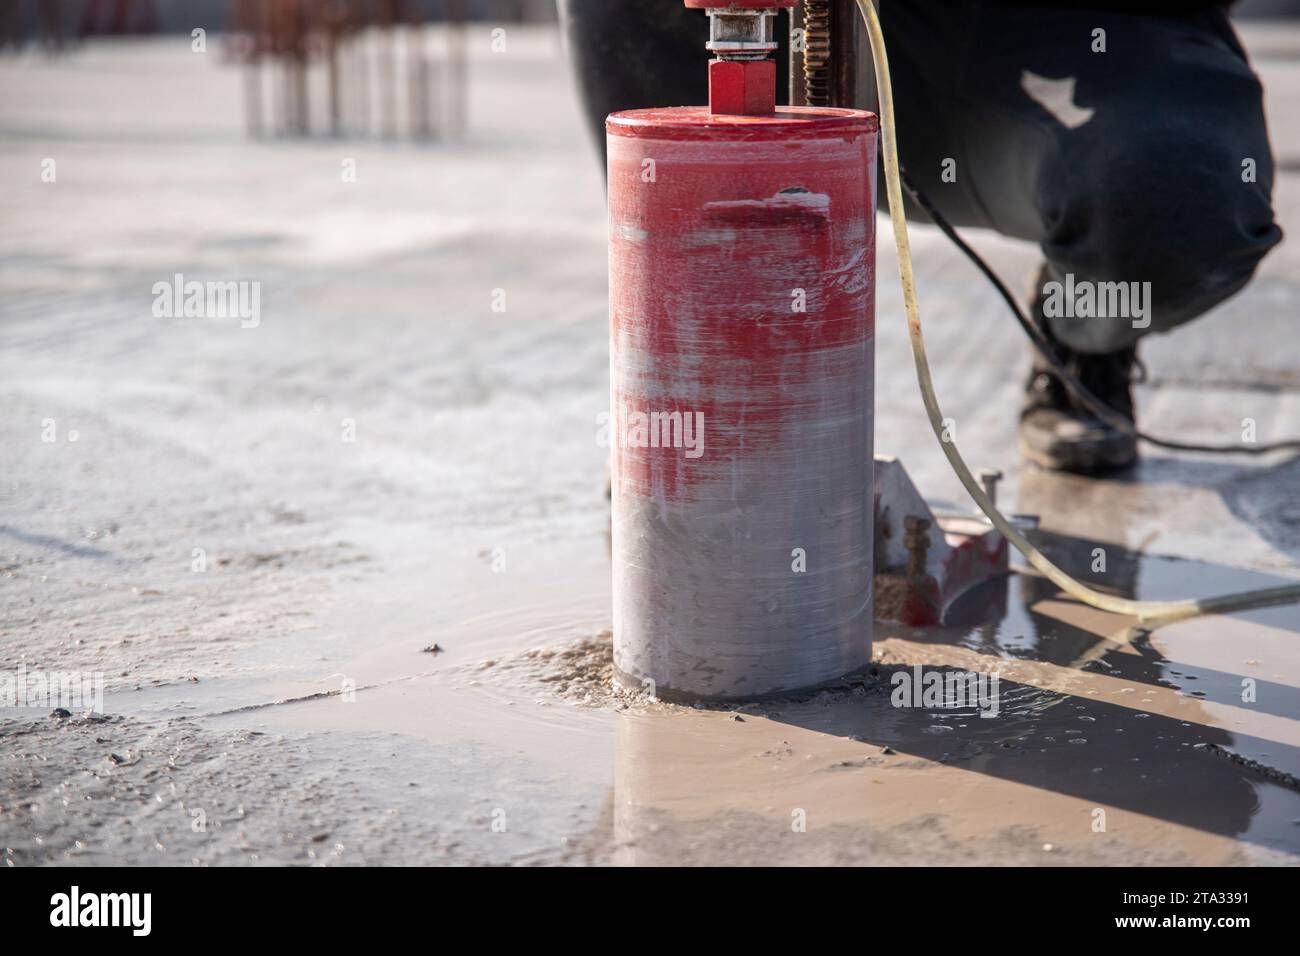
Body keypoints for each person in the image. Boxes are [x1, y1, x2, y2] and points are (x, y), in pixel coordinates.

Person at [557, 0, 1282, 474]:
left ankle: (1084, 347)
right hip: (843, 32)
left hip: (1068, 36)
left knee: (1176, 188)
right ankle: (694, 384)